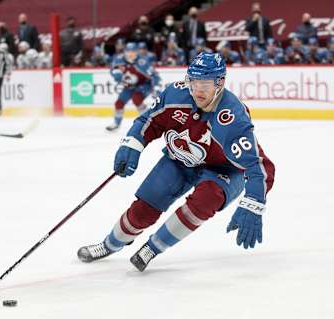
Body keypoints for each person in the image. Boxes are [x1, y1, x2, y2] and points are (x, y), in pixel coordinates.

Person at [78, 52, 275, 272]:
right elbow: (148, 120)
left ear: (220, 83)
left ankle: (152, 248)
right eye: (194, 82)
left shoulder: (232, 117)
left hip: (224, 170)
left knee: (206, 200)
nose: (198, 90)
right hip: (180, 160)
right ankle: (109, 244)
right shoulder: (175, 94)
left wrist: (254, 203)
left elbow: (259, 166)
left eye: (205, 84)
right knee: (146, 206)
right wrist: (132, 143)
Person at [106, 42, 160, 132]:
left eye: (133, 52)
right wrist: (115, 73)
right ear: (125, 52)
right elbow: (113, 70)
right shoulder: (119, 60)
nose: (131, 54)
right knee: (119, 103)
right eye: (128, 52)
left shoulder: (142, 62)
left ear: (137, 52)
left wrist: (156, 87)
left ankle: (147, 121)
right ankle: (116, 123)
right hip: (130, 86)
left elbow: (154, 76)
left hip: (144, 85)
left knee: (137, 98)